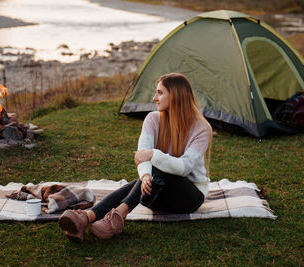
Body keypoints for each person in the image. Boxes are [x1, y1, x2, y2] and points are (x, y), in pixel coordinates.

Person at [58, 73, 212, 242]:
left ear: (175, 95)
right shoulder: (152, 119)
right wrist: (145, 176)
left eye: (160, 93)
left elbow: (184, 167)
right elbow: (141, 156)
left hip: (187, 198)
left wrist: (153, 154)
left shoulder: (201, 128)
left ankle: (113, 217)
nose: (154, 98)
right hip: (154, 196)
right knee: (148, 175)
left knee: (161, 167)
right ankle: (85, 219)